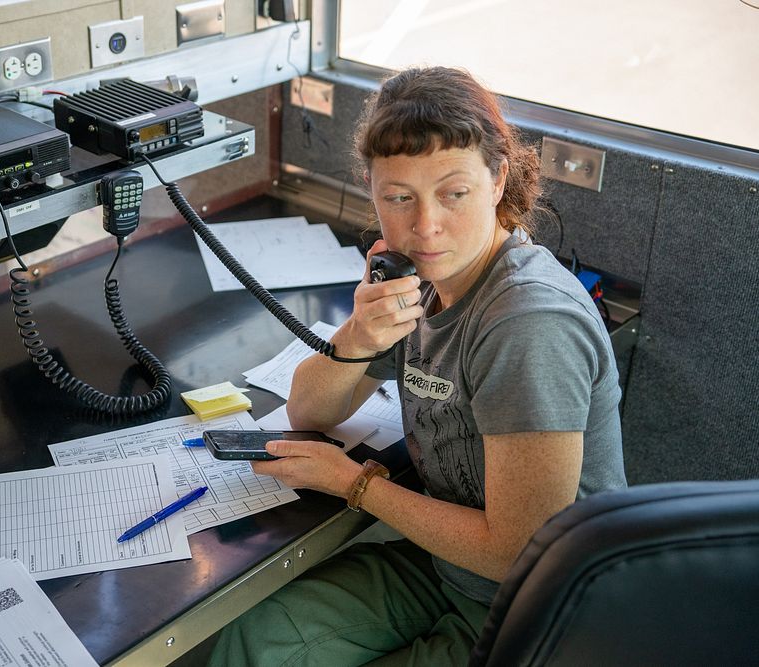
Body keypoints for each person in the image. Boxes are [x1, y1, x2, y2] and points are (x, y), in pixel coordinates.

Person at [207, 66, 627, 666]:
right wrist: (359, 333)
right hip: (451, 570)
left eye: (453, 194)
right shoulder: (423, 279)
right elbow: (309, 410)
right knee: (260, 640)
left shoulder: (527, 324)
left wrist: (353, 483)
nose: (424, 226)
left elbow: (518, 552)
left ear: (498, 177)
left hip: (536, 614)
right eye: (398, 199)